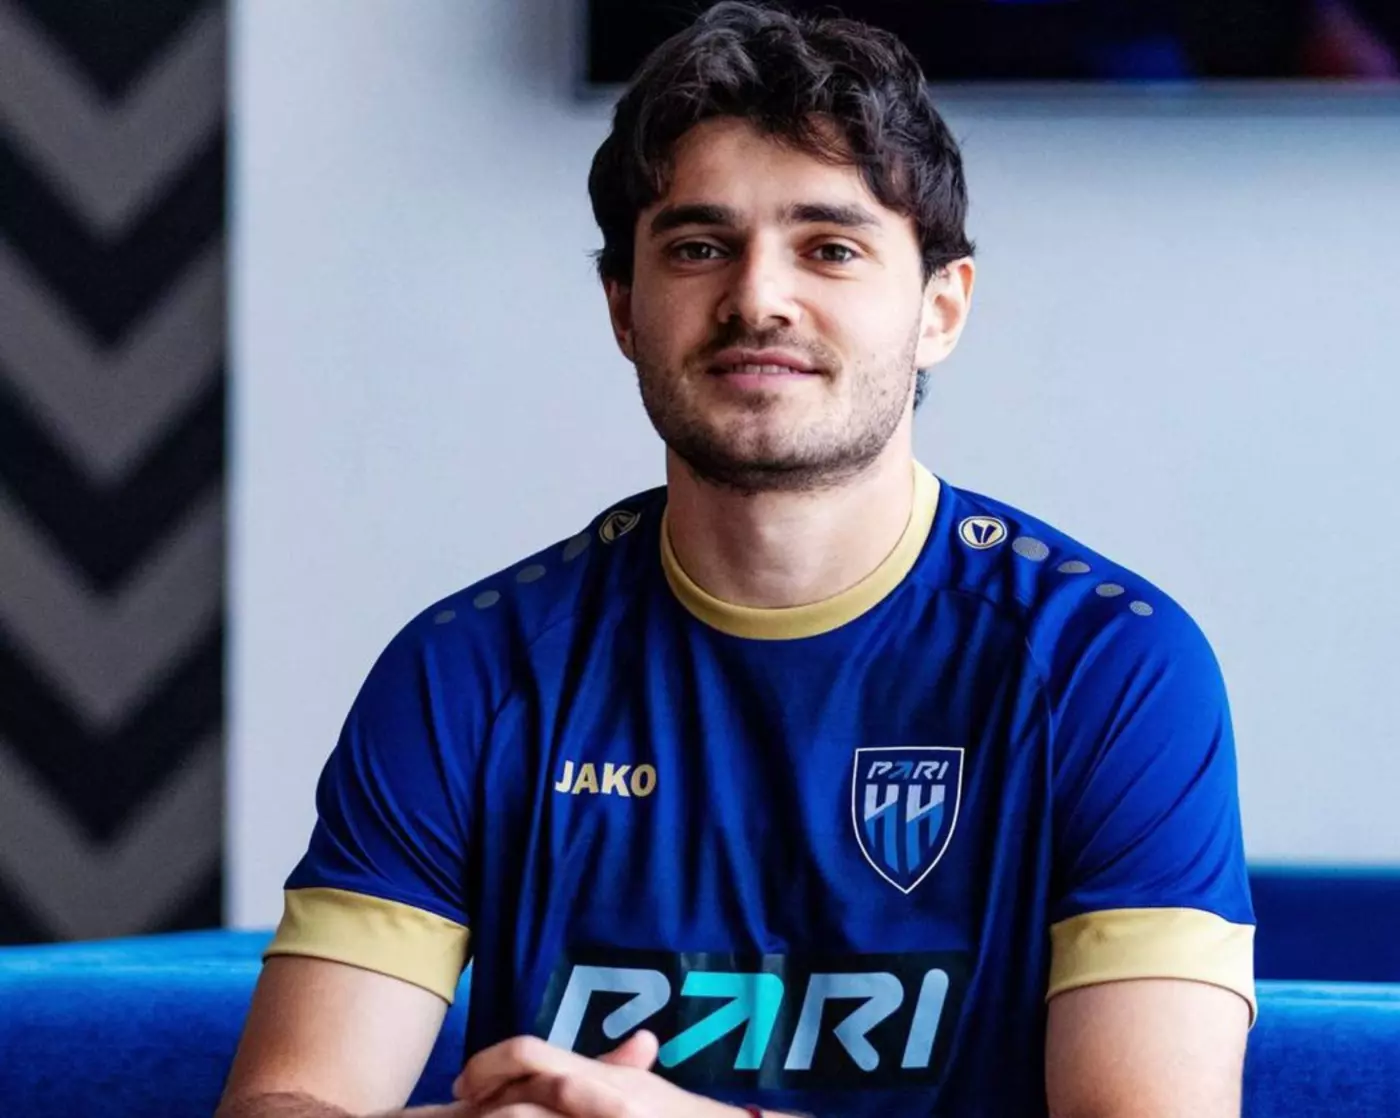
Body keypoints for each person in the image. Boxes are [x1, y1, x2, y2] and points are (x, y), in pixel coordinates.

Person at [217, 3, 1254, 1116]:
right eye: (698, 247)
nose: (757, 297)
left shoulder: (1108, 666)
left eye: (830, 249)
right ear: (624, 308)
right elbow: (285, 1101)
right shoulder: (470, 669)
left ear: (940, 309)